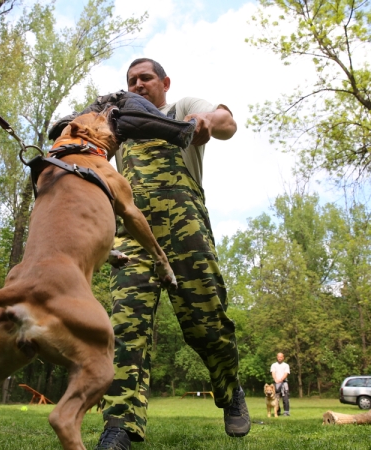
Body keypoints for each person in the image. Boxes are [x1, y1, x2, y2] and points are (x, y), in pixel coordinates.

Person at [96, 58, 246, 450]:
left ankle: (229, 390)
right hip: (133, 237)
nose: (137, 85)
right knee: (125, 329)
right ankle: (119, 426)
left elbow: (226, 120)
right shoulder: (120, 126)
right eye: (131, 81)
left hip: (187, 234)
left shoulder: (179, 110)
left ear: (164, 82)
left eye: (145, 78)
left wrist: (206, 121)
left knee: (206, 324)